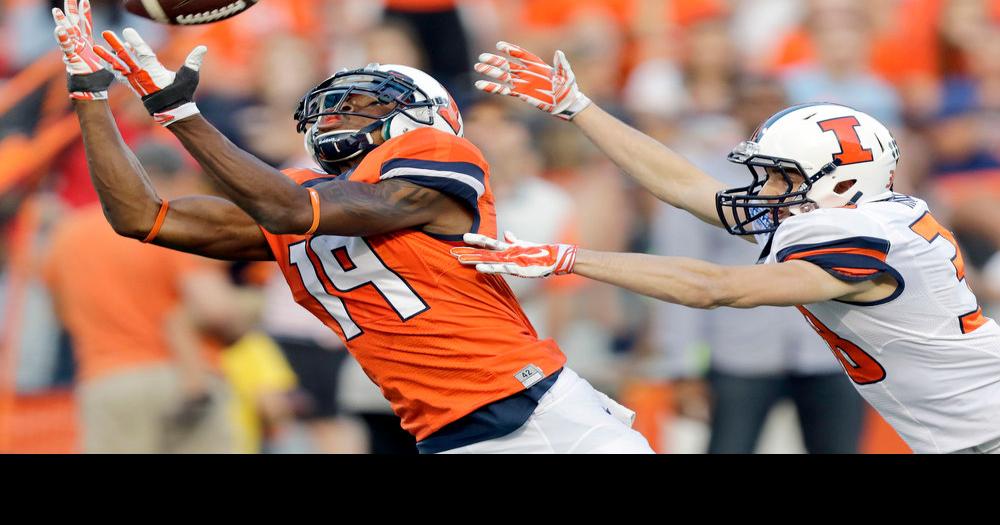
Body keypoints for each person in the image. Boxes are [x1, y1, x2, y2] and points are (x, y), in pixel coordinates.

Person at [51, 0, 651, 454]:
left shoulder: (441, 159)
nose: (339, 114)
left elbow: (295, 209)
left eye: (366, 105)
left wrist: (179, 113)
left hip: (533, 408)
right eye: (337, 105)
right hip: (443, 428)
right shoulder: (300, 192)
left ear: (425, 117)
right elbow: (142, 216)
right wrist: (89, 92)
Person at [456, 41, 1000, 454]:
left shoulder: (853, 236)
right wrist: (579, 108)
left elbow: (719, 287)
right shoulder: (869, 212)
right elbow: (691, 188)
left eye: (781, 177)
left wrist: (570, 258)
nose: (763, 191)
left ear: (840, 182)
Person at [43, 140, 239, 453]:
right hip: (186, 377)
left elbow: (61, 314)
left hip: (108, 380)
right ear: (170, 178)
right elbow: (214, 308)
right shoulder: (168, 225)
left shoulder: (67, 233)